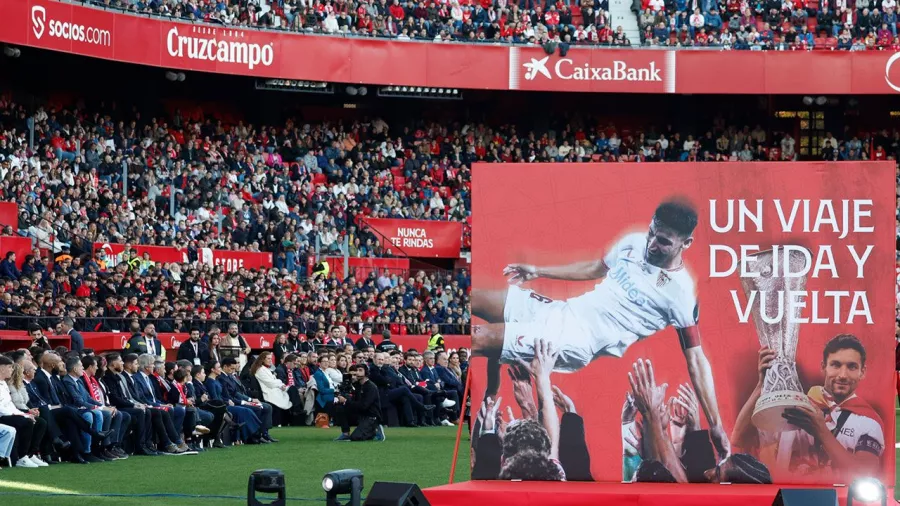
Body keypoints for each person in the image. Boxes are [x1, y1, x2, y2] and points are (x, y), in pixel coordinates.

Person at [471, 200, 728, 458]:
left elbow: (696, 359)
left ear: (686, 244)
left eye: (663, 241)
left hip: (574, 338)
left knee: (478, 338)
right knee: (474, 299)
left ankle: (483, 426)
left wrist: (715, 424)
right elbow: (596, 268)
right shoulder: (634, 242)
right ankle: (490, 396)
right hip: (561, 311)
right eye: (652, 232)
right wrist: (538, 271)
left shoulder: (680, 293)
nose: (651, 244)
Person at [733, 334, 884, 482]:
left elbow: (865, 476)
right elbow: (738, 439)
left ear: (862, 372)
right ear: (823, 367)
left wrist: (821, 431)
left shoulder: (868, 421)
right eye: (836, 365)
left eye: (851, 367)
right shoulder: (796, 406)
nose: (842, 375)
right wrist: (762, 384)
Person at [0, 355, 49, 468]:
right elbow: (2, 408)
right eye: (10, 367)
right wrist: (22, 415)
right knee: (26, 422)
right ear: (2, 369)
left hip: (9, 414)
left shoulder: (3, 384)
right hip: (3, 416)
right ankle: (21, 457)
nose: (12, 370)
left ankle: (30, 454)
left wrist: (25, 413)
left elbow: (10, 405)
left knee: (40, 422)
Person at [334, 364, 385, 442]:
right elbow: (354, 402)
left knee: (356, 437)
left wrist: (346, 401)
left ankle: (375, 430)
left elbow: (364, 406)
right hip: (360, 414)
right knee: (340, 407)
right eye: (355, 372)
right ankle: (345, 433)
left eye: (360, 370)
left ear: (366, 372)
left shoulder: (371, 387)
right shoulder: (357, 385)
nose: (357, 373)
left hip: (371, 416)